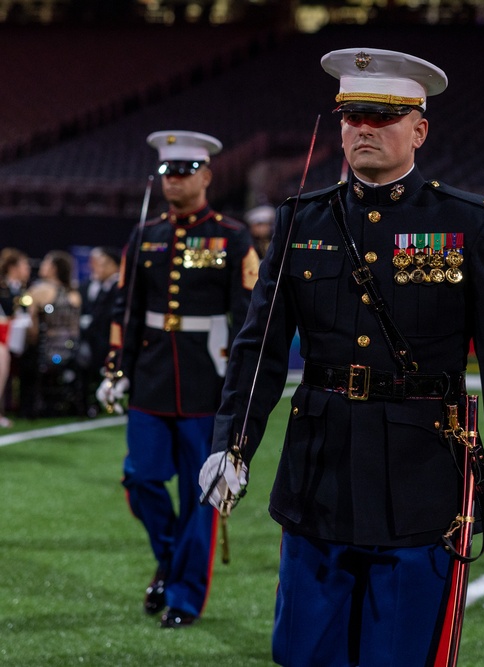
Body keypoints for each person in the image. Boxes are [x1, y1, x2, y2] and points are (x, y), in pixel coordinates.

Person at [198, 48, 484, 666]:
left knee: (399, 655)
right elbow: (260, 347)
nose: (363, 128)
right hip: (318, 474)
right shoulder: (301, 220)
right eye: (352, 116)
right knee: (302, 652)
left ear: (419, 130)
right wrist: (233, 443)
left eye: (383, 116)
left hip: (421, 482)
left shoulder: (468, 222)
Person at [97, 130, 258, 628]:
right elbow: (124, 308)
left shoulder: (232, 236)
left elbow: (245, 315)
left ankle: (185, 598)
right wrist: (115, 366)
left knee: (200, 495)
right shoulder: (144, 236)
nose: (175, 180)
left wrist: (243, 382)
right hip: (149, 379)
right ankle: (169, 560)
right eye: (167, 171)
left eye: (186, 170)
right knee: (140, 478)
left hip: (206, 384)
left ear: (207, 175)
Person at [21, 250, 84, 418]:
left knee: (25, 356)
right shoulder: (74, 294)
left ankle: (28, 406)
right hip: (71, 352)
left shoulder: (39, 290)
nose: (41, 266)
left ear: (54, 268)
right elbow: (75, 327)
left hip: (46, 352)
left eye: (45, 263)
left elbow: (32, 329)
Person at [79, 246, 121, 417]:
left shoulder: (118, 286)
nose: (98, 269)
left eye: (102, 265)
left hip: (108, 340)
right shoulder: (103, 286)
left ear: (113, 265)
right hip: (99, 339)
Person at [0, 247, 32, 426]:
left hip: (14, 338)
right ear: (13, 267)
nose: (27, 269)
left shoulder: (21, 290)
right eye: (24, 265)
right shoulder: (3, 287)